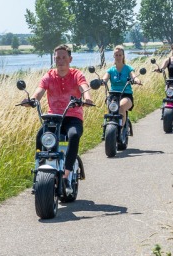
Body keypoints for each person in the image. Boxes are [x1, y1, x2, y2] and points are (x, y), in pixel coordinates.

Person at [20, 44, 93, 189]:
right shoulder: (49, 75)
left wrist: (87, 97)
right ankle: (39, 171)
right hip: (53, 118)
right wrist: (32, 100)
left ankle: (66, 174)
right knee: (40, 135)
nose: (60, 60)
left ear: (70, 59)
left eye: (64, 57)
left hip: (73, 117)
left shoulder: (76, 74)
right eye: (57, 57)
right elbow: (39, 92)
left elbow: (83, 87)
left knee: (73, 135)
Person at [103, 44, 141, 131]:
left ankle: (121, 129)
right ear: (113, 56)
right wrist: (102, 82)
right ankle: (109, 128)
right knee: (111, 110)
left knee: (121, 106)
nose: (118, 57)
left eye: (120, 55)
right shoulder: (111, 70)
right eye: (116, 55)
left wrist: (136, 80)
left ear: (123, 56)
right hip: (113, 95)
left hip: (126, 95)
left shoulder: (128, 68)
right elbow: (105, 78)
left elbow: (133, 76)